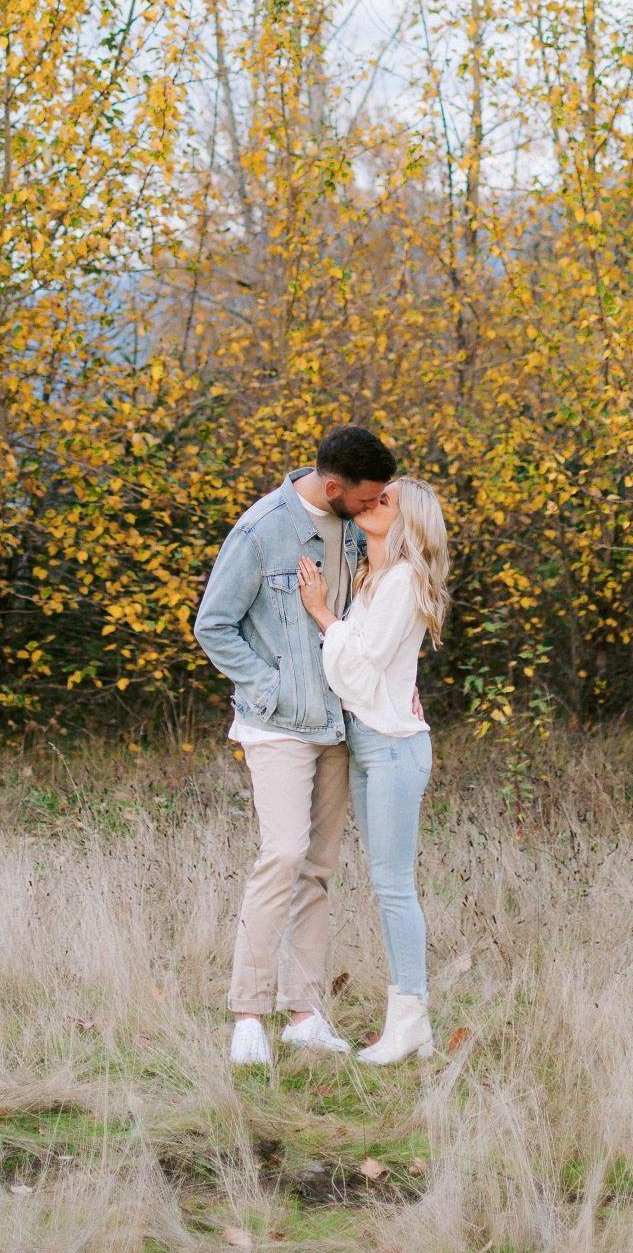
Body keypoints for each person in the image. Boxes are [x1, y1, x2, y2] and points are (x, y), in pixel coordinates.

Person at [191, 426, 397, 1068]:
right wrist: (270, 686)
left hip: (339, 721)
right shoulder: (261, 530)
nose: (373, 508)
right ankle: (248, 1015)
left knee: (317, 867)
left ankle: (303, 1014)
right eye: (364, 499)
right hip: (277, 723)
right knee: (281, 855)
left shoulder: (359, 528)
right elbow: (213, 625)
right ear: (333, 486)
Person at [296, 476, 446, 1065]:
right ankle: (414, 1027)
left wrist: (321, 615)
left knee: (394, 886)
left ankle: (408, 1022)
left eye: (386, 500)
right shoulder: (374, 577)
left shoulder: (404, 580)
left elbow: (358, 675)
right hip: (369, 743)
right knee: (387, 883)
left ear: (406, 520)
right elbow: (363, 670)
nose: (372, 501)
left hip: (392, 748)